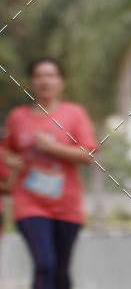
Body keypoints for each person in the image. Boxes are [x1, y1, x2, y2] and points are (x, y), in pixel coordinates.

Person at [1, 57, 97, 289]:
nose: (46, 81)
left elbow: (88, 156)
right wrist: (10, 159)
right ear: (32, 81)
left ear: (61, 82)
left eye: (51, 75)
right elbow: (5, 150)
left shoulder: (75, 114)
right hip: (30, 202)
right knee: (45, 263)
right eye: (40, 76)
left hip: (67, 204)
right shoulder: (18, 117)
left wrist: (51, 147)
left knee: (61, 270)